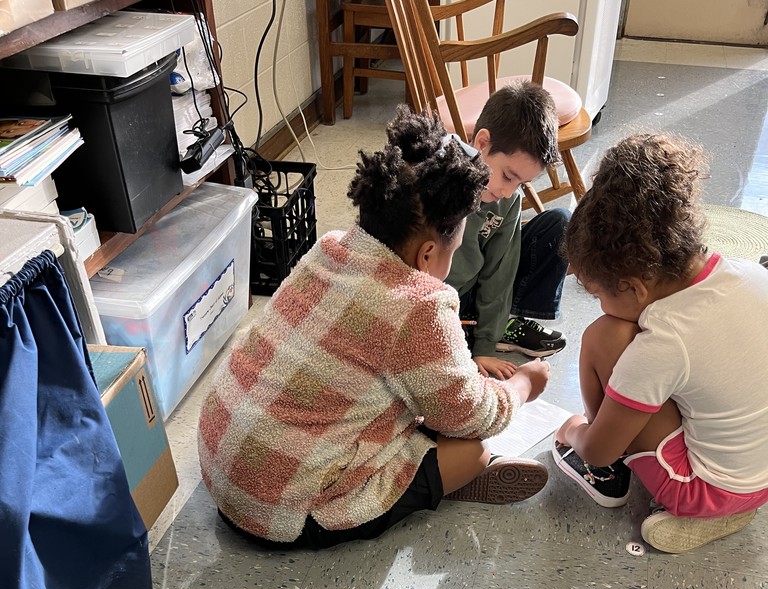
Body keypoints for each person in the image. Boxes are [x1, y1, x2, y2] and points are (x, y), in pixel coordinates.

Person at [198, 107, 551, 550]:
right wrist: (521, 386)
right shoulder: (420, 304)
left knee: (412, 396)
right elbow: (472, 414)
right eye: (453, 249)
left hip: (220, 461)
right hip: (282, 512)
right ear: (427, 255)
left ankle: (434, 468)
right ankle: (447, 480)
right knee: (470, 447)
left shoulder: (330, 247)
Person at [552, 132, 768, 553]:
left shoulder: (665, 341)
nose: (599, 304)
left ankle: (710, 516)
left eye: (599, 295)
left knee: (603, 337)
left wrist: (575, 431)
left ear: (634, 287)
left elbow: (597, 450)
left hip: (709, 490)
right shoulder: (751, 273)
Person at [446, 80, 570, 380]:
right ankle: (479, 326)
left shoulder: (507, 199)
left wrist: (485, 347)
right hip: (441, 296)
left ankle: (499, 326)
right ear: (481, 143)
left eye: (520, 183)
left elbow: (500, 271)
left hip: (473, 295)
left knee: (560, 224)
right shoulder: (440, 176)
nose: (507, 190)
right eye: (507, 176)